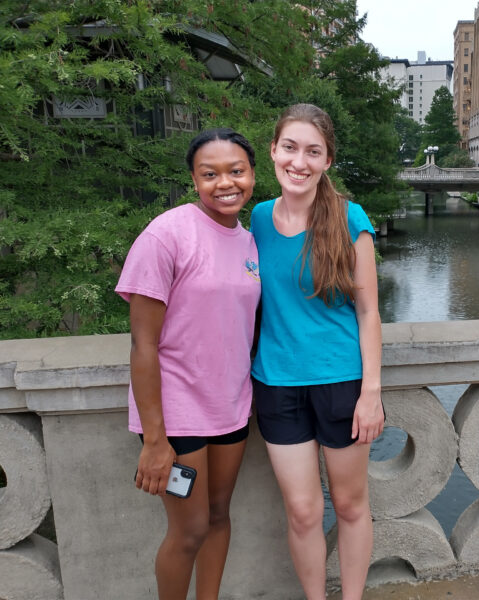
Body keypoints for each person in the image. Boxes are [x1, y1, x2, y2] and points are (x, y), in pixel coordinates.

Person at [116, 128, 261, 600]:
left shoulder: (248, 240)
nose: (226, 183)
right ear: (194, 180)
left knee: (219, 516)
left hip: (231, 406)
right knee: (190, 529)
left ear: (253, 175)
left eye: (236, 171)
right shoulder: (167, 234)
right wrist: (155, 441)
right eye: (210, 173)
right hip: (177, 417)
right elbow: (142, 345)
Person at [250, 103, 383, 600]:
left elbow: (369, 312)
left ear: (327, 160)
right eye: (290, 148)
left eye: (313, 151)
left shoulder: (350, 219)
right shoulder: (259, 217)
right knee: (303, 511)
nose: (299, 162)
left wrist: (370, 393)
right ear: (273, 151)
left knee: (349, 506)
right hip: (277, 384)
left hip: (341, 384)